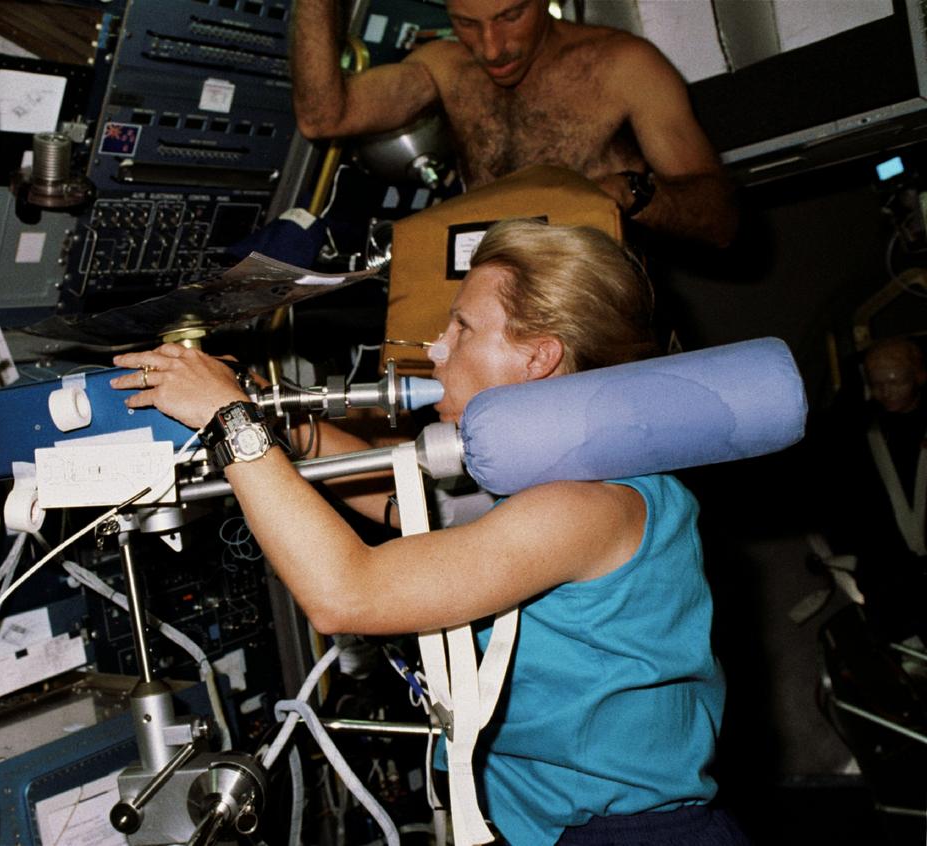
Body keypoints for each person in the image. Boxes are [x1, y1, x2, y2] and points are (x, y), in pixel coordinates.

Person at [110, 219, 747, 844]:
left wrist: (230, 422)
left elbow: (346, 594)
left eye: (463, 327)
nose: (437, 347)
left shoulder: (585, 506)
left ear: (538, 356)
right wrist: (281, 425)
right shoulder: (579, 478)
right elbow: (408, 505)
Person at [291, 0, 737, 247]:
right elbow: (324, 117)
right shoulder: (446, 67)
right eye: (467, 22)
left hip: (601, 323)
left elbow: (722, 221)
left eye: (510, 16)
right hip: (494, 323)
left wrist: (631, 193)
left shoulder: (626, 67)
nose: (491, 48)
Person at [817, 336, 927, 644]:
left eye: (895, 382)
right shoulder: (859, 429)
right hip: (889, 571)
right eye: (877, 384)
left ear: (919, 375)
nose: (886, 392)